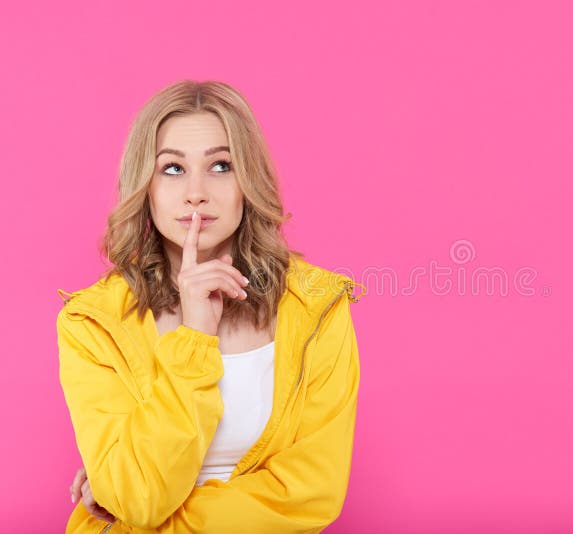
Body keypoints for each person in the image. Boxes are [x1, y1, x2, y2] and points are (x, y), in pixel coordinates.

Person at [56, 80, 365, 533]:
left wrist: (142, 514)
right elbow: (136, 495)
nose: (196, 192)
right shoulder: (93, 322)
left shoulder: (317, 307)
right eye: (173, 169)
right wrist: (196, 335)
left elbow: (310, 493)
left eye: (221, 165)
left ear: (248, 182)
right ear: (145, 185)